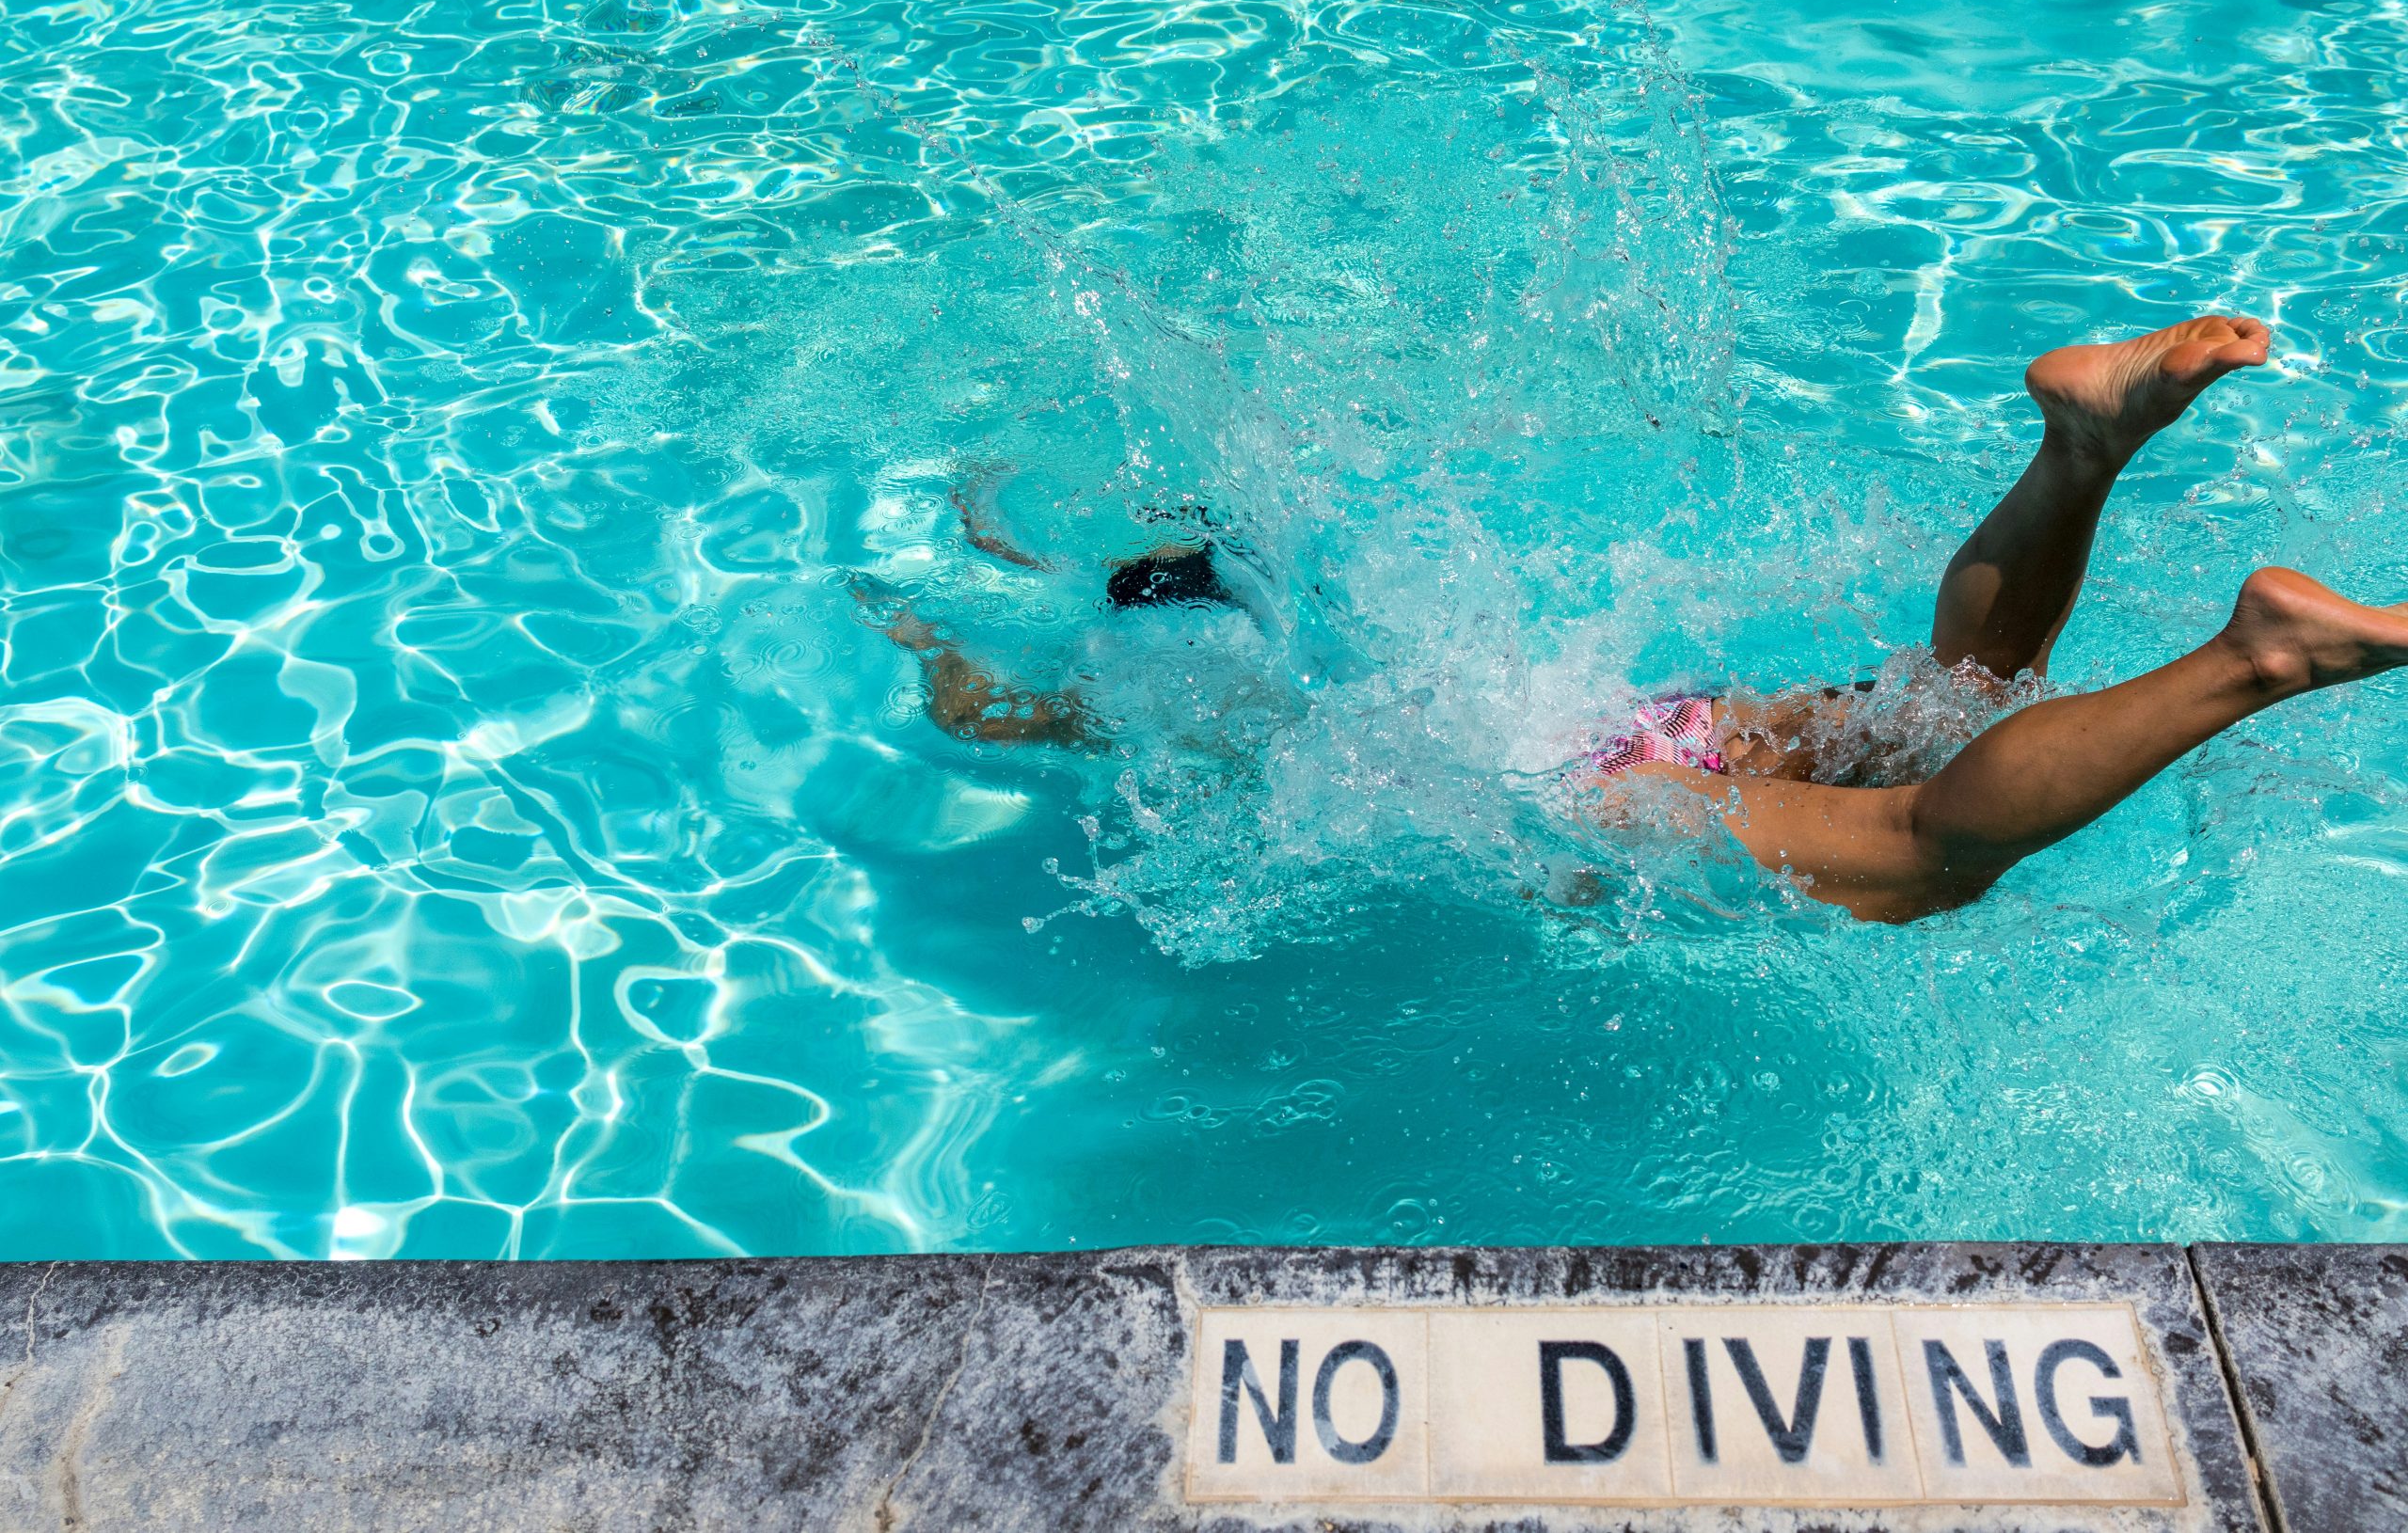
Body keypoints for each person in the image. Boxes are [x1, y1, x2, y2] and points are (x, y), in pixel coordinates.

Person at [863, 315, 2408, 923]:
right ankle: (2081, 440)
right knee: (1952, 698)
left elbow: (986, 719)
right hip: (1618, 714)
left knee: (1927, 851)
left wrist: (939, 653)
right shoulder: (1319, 595)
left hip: (1584, 796)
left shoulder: (1156, 698)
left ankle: (2254, 659)